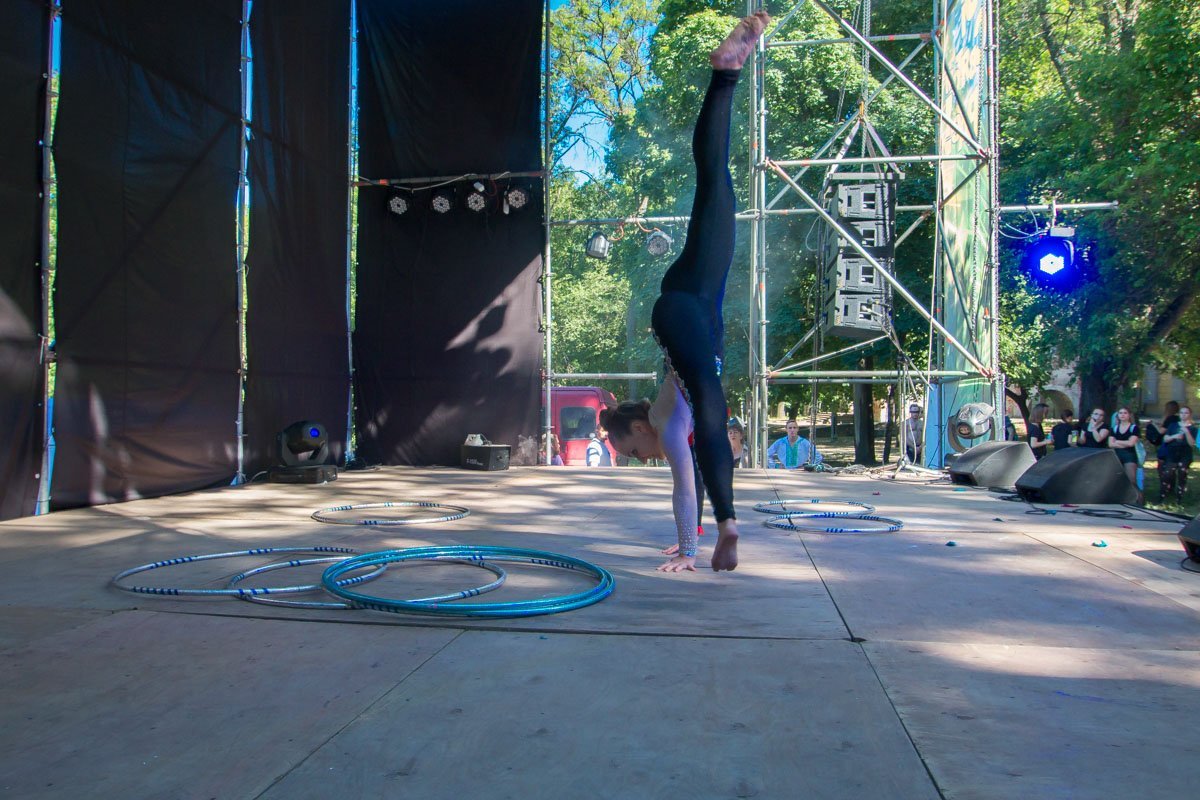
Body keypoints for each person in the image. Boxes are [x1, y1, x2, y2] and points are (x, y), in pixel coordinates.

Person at [600, 12, 769, 574]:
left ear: (640, 430)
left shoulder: (670, 429)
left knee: (710, 404)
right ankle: (726, 74)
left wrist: (689, 551)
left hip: (680, 310)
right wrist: (687, 539)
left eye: (630, 452)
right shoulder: (667, 411)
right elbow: (688, 477)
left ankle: (727, 522)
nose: (637, 459)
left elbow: (682, 483)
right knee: (715, 181)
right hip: (696, 293)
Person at [1158, 404, 1197, 501]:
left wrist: (1186, 432)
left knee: (1182, 474)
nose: (1183, 415)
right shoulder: (1173, 425)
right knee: (1167, 474)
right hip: (1172, 452)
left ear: (1190, 415)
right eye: (1182, 413)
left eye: (1186, 413)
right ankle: (1162, 496)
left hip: (1185, 453)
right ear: (1179, 414)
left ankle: (1179, 498)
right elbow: (1165, 439)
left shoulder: (1193, 428)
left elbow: (1192, 443)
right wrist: (1174, 436)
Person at [1107, 406, 1141, 500]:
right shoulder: (1114, 428)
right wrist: (1124, 443)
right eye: (1120, 413)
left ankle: (1139, 500)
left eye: (1125, 413)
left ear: (1129, 415)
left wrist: (1117, 441)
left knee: (1131, 480)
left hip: (1129, 455)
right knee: (1116, 480)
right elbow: (1110, 444)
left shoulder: (1134, 428)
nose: (1122, 415)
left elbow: (1131, 443)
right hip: (1116, 455)